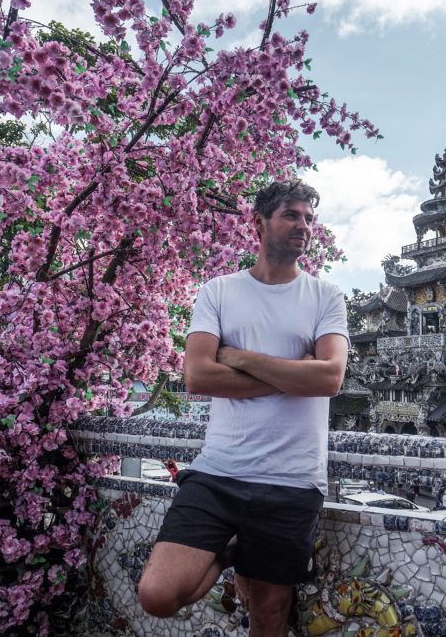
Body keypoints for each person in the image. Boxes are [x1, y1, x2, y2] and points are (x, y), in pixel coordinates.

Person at [137, 181, 349, 636]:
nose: (304, 227)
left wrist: (238, 357)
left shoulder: (326, 296)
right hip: (219, 473)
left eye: (309, 219)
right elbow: (198, 378)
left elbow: (329, 379)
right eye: (292, 215)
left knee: (269, 615)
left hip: (292, 479)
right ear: (259, 223)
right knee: (158, 594)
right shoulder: (218, 292)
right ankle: (232, 549)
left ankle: (245, 549)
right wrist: (294, 373)